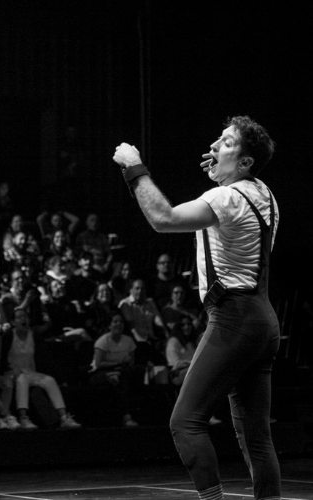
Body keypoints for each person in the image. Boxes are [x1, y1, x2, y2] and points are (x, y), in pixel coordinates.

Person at [113, 115, 281, 500]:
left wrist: (133, 167)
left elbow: (162, 219)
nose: (215, 146)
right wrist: (222, 179)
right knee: (256, 437)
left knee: (184, 422)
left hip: (234, 318)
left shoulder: (224, 198)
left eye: (226, 142)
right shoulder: (265, 195)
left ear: (245, 162)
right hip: (262, 319)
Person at [0, 308, 81, 430]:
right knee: (22, 380)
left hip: (30, 372)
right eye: (19, 317)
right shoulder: (9, 336)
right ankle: (23, 418)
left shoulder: (34, 335)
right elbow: (1, 357)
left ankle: (64, 417)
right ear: (13, 322)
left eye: (25, 317)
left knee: (50, 380)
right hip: (13, 373)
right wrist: (8, 369)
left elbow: (44, 357)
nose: (23, 319)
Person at [89, 311, 139, 427]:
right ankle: (126, 417)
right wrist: (117, 363)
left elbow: (131, 362)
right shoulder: (102, 341)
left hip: (122, 371)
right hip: (100, 372)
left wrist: (123, 364)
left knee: (127, 376)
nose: (118, 324)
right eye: (115, 321)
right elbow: (98, 364)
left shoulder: (129, 341)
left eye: (121, 322)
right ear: (109, 325)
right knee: (117, 380)